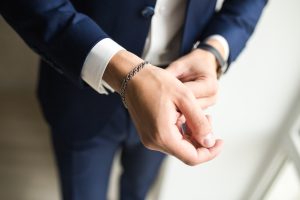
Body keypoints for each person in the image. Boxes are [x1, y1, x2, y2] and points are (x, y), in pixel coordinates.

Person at [0, 0, 267, 199]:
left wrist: (214, 51)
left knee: (139, 189)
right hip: (80, 86)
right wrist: (124, 70)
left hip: (177, 94)